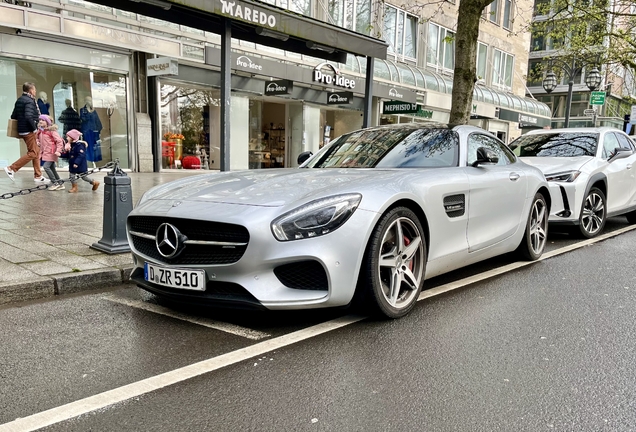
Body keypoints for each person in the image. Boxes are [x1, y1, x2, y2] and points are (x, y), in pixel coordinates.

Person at [5, 82, 49, 183]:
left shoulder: (20, 100)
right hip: (29, 130)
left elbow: (13, 116)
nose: (35, 91)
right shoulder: (30, 101)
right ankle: (11, 168)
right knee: (33, 153)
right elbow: (29, 116)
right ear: (30, 90)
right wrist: (34, 128)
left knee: (36, 151)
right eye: (34, 89)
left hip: (23, 129)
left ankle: (38, 175)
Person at [65, 129, 100, 193]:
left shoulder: (79, 145)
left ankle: (94, 182)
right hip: (73, 165)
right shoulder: (71, 145)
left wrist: (76, 163)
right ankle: (74, 187)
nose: (66, 138)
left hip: (80, 165)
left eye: (68, 136)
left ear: (73, 138)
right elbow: (69, 155)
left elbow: (81, 155)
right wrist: (61, 154)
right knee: (72, 176)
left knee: (84, 177)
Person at [37, 115, 65, 191]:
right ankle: (60, 183)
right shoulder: (40, 131)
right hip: (45, 152)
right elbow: (37, 138)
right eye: (40, 120)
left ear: (47, 122)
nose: (40, 121)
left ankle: (55, 183)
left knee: (46, 167)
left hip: (52, 152)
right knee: (52, 168)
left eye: (42, 120)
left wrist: (58, 151)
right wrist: (38, 142)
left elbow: (59, 141)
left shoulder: (52, 131)